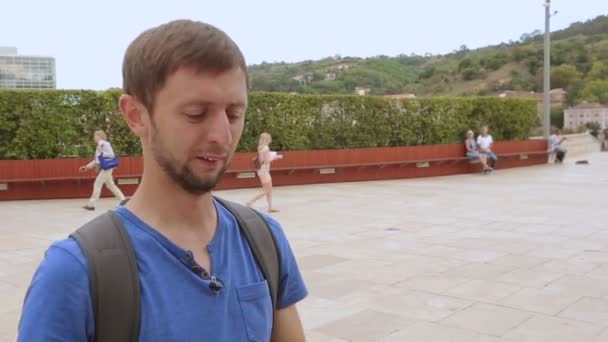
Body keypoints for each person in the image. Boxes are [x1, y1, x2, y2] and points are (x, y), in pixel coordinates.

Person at [18, 19, 307, 341]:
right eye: (196, 113)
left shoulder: (264, 239)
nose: (222, 136)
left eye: (234, 114)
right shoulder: (74, 272)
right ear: (135, 115)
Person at [79, 130, 126, 210]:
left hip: (106, 167)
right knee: (110, 185)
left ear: (99, 136)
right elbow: (97, 160)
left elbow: (111, 155)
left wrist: (101, 154)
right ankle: (123, 200)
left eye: (95, 136)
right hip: (106, 167)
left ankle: (91, 205)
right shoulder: (100, 145)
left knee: (97, 184)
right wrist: (87, 166)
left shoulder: (104, 144)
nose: (94, 137)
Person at [247, 132, 283, 212]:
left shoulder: (260, 147)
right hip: (264, 171)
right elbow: (267, 161)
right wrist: (276, 157)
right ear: (267, 139)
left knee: (268, 190)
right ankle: (250, 202)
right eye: (269, 138)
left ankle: (270, 207)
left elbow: (261, 160)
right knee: (267, 190)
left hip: (261, 170)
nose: (271, 139)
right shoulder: (266, 148)